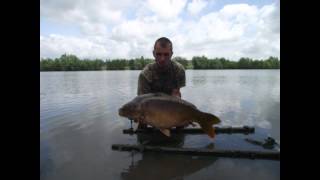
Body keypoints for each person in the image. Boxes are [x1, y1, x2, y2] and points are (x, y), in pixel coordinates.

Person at [136, 37, 186, 128]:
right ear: (153, 54)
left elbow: (176, 96)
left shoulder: (178, 70)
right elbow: (142, 101)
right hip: (150, 110)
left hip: (171, 107)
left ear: (171, 54)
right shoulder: (145, 74)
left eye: (166, 54)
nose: (162, 59)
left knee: (181, 124)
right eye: (159, 54)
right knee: (142, 120)